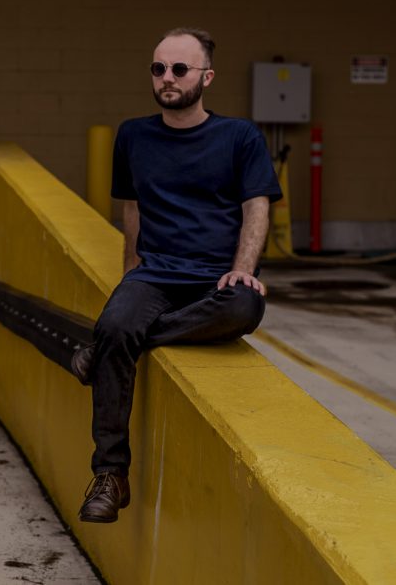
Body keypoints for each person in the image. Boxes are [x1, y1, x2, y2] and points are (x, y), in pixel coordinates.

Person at [72, 27, 283, 523]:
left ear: (206, 77)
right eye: (158, 68)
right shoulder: (133, 135)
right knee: (120, 319)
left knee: (245, 307)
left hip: (216, 281)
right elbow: (133, 209)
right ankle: (110, 474)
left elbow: (257, 208)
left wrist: (242, 271)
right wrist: (130, 276)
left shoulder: (240, 136)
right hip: (157, 274)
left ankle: (104, 353)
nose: (167, 78)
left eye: (180, 69)